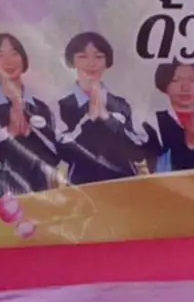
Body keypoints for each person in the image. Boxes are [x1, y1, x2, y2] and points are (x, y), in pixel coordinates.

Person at [0, 32, 60, 200]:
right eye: (0, 55)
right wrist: (7, 133)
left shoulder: (41, 108)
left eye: (14, 53)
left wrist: (34, 131)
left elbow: (55, 157)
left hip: (37, 194)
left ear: (23, 59)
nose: (8, 61)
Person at [55, 31, 151, 186]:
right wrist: (89, 120)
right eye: (83, 56)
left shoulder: (123, 104)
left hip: (125, 187)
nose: (91, 63)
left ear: (107, 62)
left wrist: (109, 120)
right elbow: (61, 152)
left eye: (99, 57)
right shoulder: (61, 106)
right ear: (72, 61)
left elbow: (139, 151)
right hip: (81, 190)